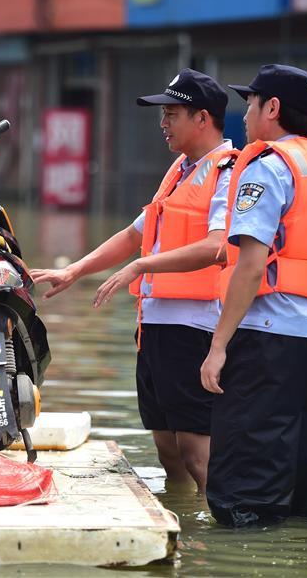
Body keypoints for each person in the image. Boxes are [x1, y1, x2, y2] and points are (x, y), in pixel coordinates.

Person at [32, 69, 237, 492]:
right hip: (157, 328)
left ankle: (221, 543)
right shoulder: (180, 170)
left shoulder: (228, 171)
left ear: (203, 118)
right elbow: (133, 235)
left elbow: (219, 246)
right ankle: (185, 530)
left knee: (199, 455)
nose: (163, 123)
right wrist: (75, 270)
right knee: (168, 452)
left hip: (197, 327)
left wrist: (144, 266)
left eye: (172, 113)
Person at [200, 64, 307, 527]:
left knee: (243, 491)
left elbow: (250, 265)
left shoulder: (268, 168)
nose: (244, 115)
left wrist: (219, 345)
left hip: (268, 341)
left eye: (251, 103)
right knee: (300, 488)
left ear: (273, 108)